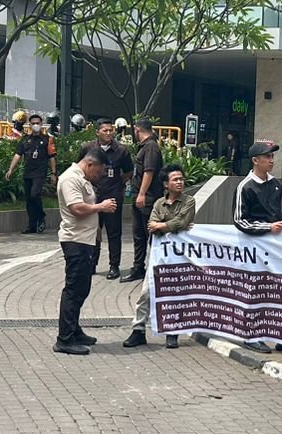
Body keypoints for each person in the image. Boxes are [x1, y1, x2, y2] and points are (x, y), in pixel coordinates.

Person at [123, 164, 195, 349]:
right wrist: (170, 226)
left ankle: (172, 333)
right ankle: (138, 330)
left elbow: (182, 221)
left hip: (179, 258)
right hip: (159, 256)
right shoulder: (158, 204)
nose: (179, 182)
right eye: (175, 179)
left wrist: (163, 226)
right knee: (146, 293)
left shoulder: (189, 201)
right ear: (165, 184)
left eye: (181, 179)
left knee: (175, 294)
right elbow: (151, 225)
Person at [54, 148, 117, 355]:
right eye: (98, 171)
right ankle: (64, 339)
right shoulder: (70, 179)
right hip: (76, 241)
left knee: (82, 288)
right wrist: (101, 207)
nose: (99, 176)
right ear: (90, 164)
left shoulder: (83, 179)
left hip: (86, 241)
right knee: (73, 290)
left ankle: (74, 330)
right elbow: (77, 208)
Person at [82, 118, 133, 279]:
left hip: (113, 196)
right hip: (93, 196)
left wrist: (118, 183)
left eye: (111, 130)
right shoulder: (88, 148)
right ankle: (91, 263)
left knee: (114, 232)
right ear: (97, 132)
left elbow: (129, 171)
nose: (109, 133)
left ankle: (114, 266)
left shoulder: (121, 150)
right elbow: (80, 167)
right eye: (105, 130)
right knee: (92, 231)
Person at [124, 118, 165, 282]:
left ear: (137, 130)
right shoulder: (145, 146)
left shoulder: (151, 147)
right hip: (139, 198)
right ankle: (138, 268)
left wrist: (142, 194)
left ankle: (156, 269)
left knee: (151, 235)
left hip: (148, 199)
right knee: (139, 235)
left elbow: (149, 171)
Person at [5, 113, 55, 234]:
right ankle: (32, 225)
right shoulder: (25, 140)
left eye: (38, 123)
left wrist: (54, 173)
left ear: (41, 124)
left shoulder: (47, 139)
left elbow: (52, 157)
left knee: (35, 195)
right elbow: (17, 155)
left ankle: (41, 216)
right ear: (29, 125)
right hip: (28, 172)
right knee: (28, 199)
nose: (36, 125)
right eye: (33, 123)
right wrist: (11, 169)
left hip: (40, 172)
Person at [233, 140, 282, 235]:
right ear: (255, 160)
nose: (271, 161)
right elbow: (240, 221)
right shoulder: (245, 187)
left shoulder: (276, 184)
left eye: (272, 156)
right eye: (267, 156)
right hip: (254, 240)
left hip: (277, 238)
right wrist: (268, 227)